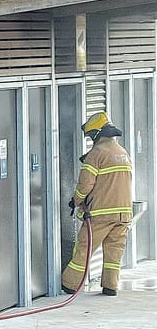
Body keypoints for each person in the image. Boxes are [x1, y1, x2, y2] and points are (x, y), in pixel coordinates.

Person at [60, 111, 134, 297]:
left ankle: (69, 284)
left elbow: (85, 184)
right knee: (114, 252)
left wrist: (76, 201)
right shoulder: (122, 152)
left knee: (84, 247)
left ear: (97, 134)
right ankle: (110, 286)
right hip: (124, 213)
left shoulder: (96, 154)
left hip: (101, 213)